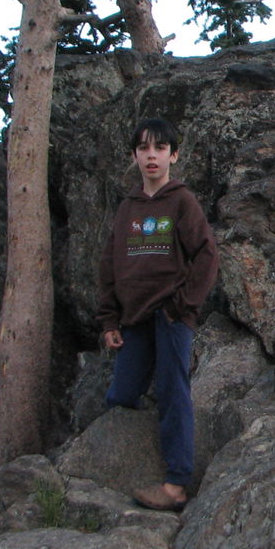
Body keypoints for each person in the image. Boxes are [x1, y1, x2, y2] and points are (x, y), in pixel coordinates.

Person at [98, 118, 219, 511]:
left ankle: (176, 484)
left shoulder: (181, 201)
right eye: (145, 148)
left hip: (170, 315)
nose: (152, 156)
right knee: (121, 395)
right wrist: (110, 321)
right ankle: (126, 463)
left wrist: (182, 306)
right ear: (134, 156)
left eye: (161, 148)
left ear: (174, 155)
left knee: (172, 390)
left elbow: (207, 256)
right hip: (133, 320)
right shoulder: (127, 209)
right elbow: (109, 265)